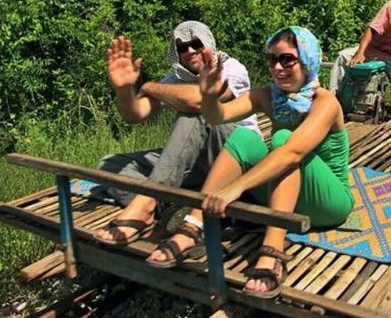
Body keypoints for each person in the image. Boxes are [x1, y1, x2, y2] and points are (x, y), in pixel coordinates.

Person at [146, 26, 353, 299]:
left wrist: (236, 187)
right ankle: (193, 226)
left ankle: (273, 249)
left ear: (308, 60)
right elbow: (218, 116)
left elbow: (292, 152)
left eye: (287, 59)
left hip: (328, 205)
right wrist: (209, 95)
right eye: (272, 60)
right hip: (286, 197)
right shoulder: (268, 95)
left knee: (281, 139)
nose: (278, 68)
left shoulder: (324, 102)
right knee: (244, 137)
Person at [93, 21, 258, 245]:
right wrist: (124, 91)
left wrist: (149, 86)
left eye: (196, 44)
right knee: (110, 165)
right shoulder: (175, 79)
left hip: (235, 154)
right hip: (198, 161)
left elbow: (197, 101)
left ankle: (149, 201)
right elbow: (135, 114)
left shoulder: (230, 67)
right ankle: (174, 209)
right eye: (182, 47)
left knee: (197, 113)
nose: (189, 51)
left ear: (208, 43)